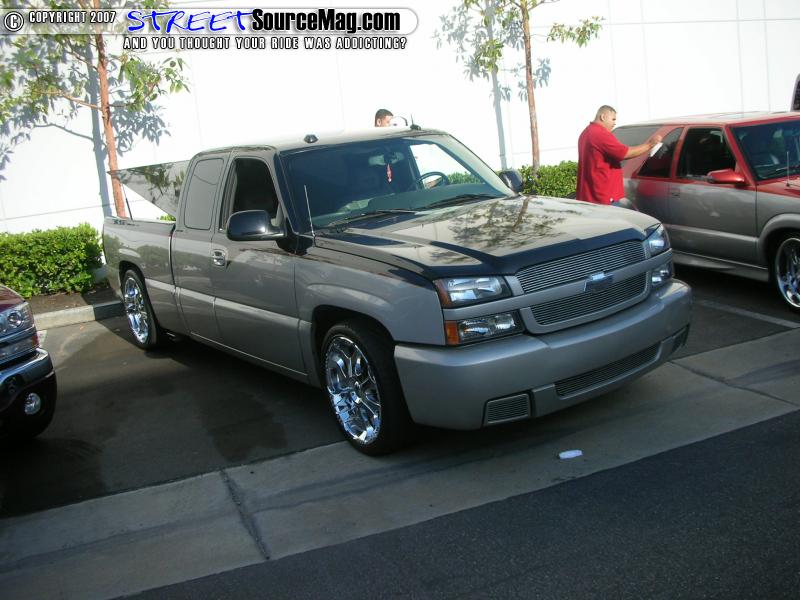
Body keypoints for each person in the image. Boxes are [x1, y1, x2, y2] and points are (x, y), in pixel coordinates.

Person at [576, 105, 662, 206]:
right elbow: (625, 153)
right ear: (603, 117)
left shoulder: (586, 133)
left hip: (590, 196)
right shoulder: (600, 134)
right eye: (613, 119)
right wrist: (650, 144)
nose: (614, 123)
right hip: (603, 197)